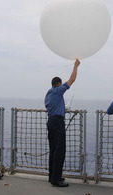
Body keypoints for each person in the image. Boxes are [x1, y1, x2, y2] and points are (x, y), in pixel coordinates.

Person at [44, 59, 80, 187]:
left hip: (50, 121)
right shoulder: (58, 91)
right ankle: (56, 179)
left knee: (53, 149)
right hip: (58, 122)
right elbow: (72, 79)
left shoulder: (48, 95)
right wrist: (76, 66)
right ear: (58, 84)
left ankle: (52, 176)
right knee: (60, 150)